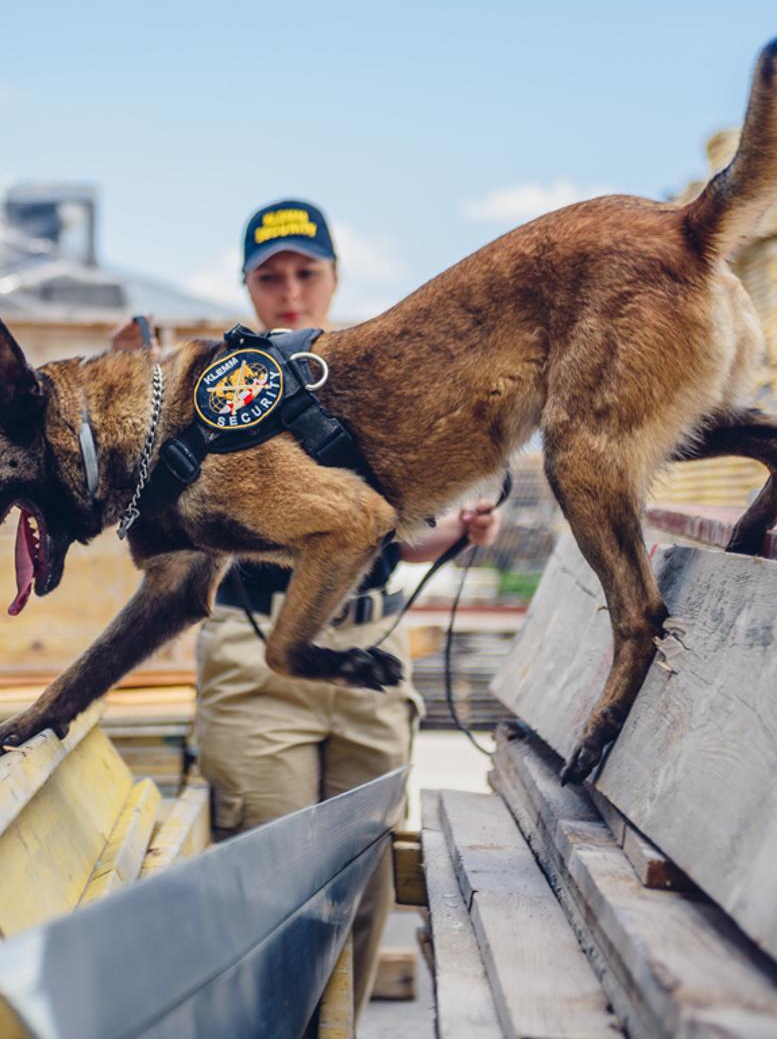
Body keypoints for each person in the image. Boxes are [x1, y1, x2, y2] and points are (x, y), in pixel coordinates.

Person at [115, 199, 500, 1011]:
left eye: (305, 272)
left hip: (362, 660)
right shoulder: (213, 390)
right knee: (271, 888)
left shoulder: (362, 382)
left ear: (332, 278)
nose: (289, 291)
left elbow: (377, 534)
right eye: (270, 276)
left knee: (364, 893)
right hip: (259, 662)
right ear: (248, 288)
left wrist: (454, 532)